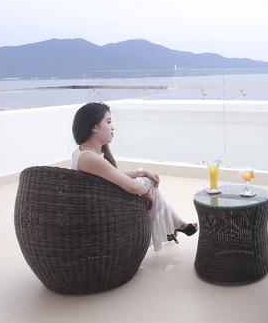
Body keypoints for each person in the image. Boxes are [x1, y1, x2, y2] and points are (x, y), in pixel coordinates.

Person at [71, 102, 197, 250]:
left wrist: (143, 172)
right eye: (108, 122)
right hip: (101, 212)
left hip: (102, 204)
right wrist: (147, 193)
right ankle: (176, 225)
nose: (113, 127)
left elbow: (114, 174)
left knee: (146, 182)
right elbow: (131, 186)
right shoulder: (89, 157)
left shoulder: (84, 152)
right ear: (94, 127)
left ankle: (177, 224)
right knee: (147, 185)